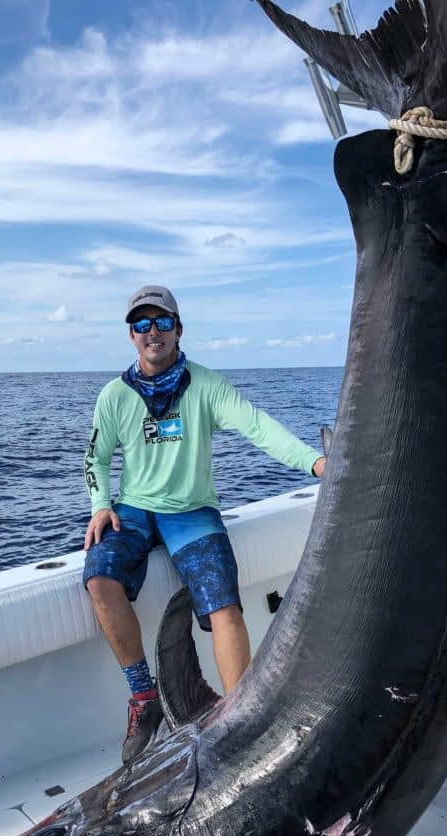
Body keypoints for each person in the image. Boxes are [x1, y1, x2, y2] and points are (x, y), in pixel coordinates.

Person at [83, 285, 326, 763]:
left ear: (179, 328)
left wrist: (317, 464)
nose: (153, 332)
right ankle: (143, 697)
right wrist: (99, 503)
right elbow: (96, 455)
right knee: (99, 578)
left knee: (224, 608)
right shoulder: (114, 395)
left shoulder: (207, 385)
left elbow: (258, 426)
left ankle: (242, 722)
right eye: (142, 324)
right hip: (132, 509)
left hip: (191, 509)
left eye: (162, 322)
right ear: (131, 335)